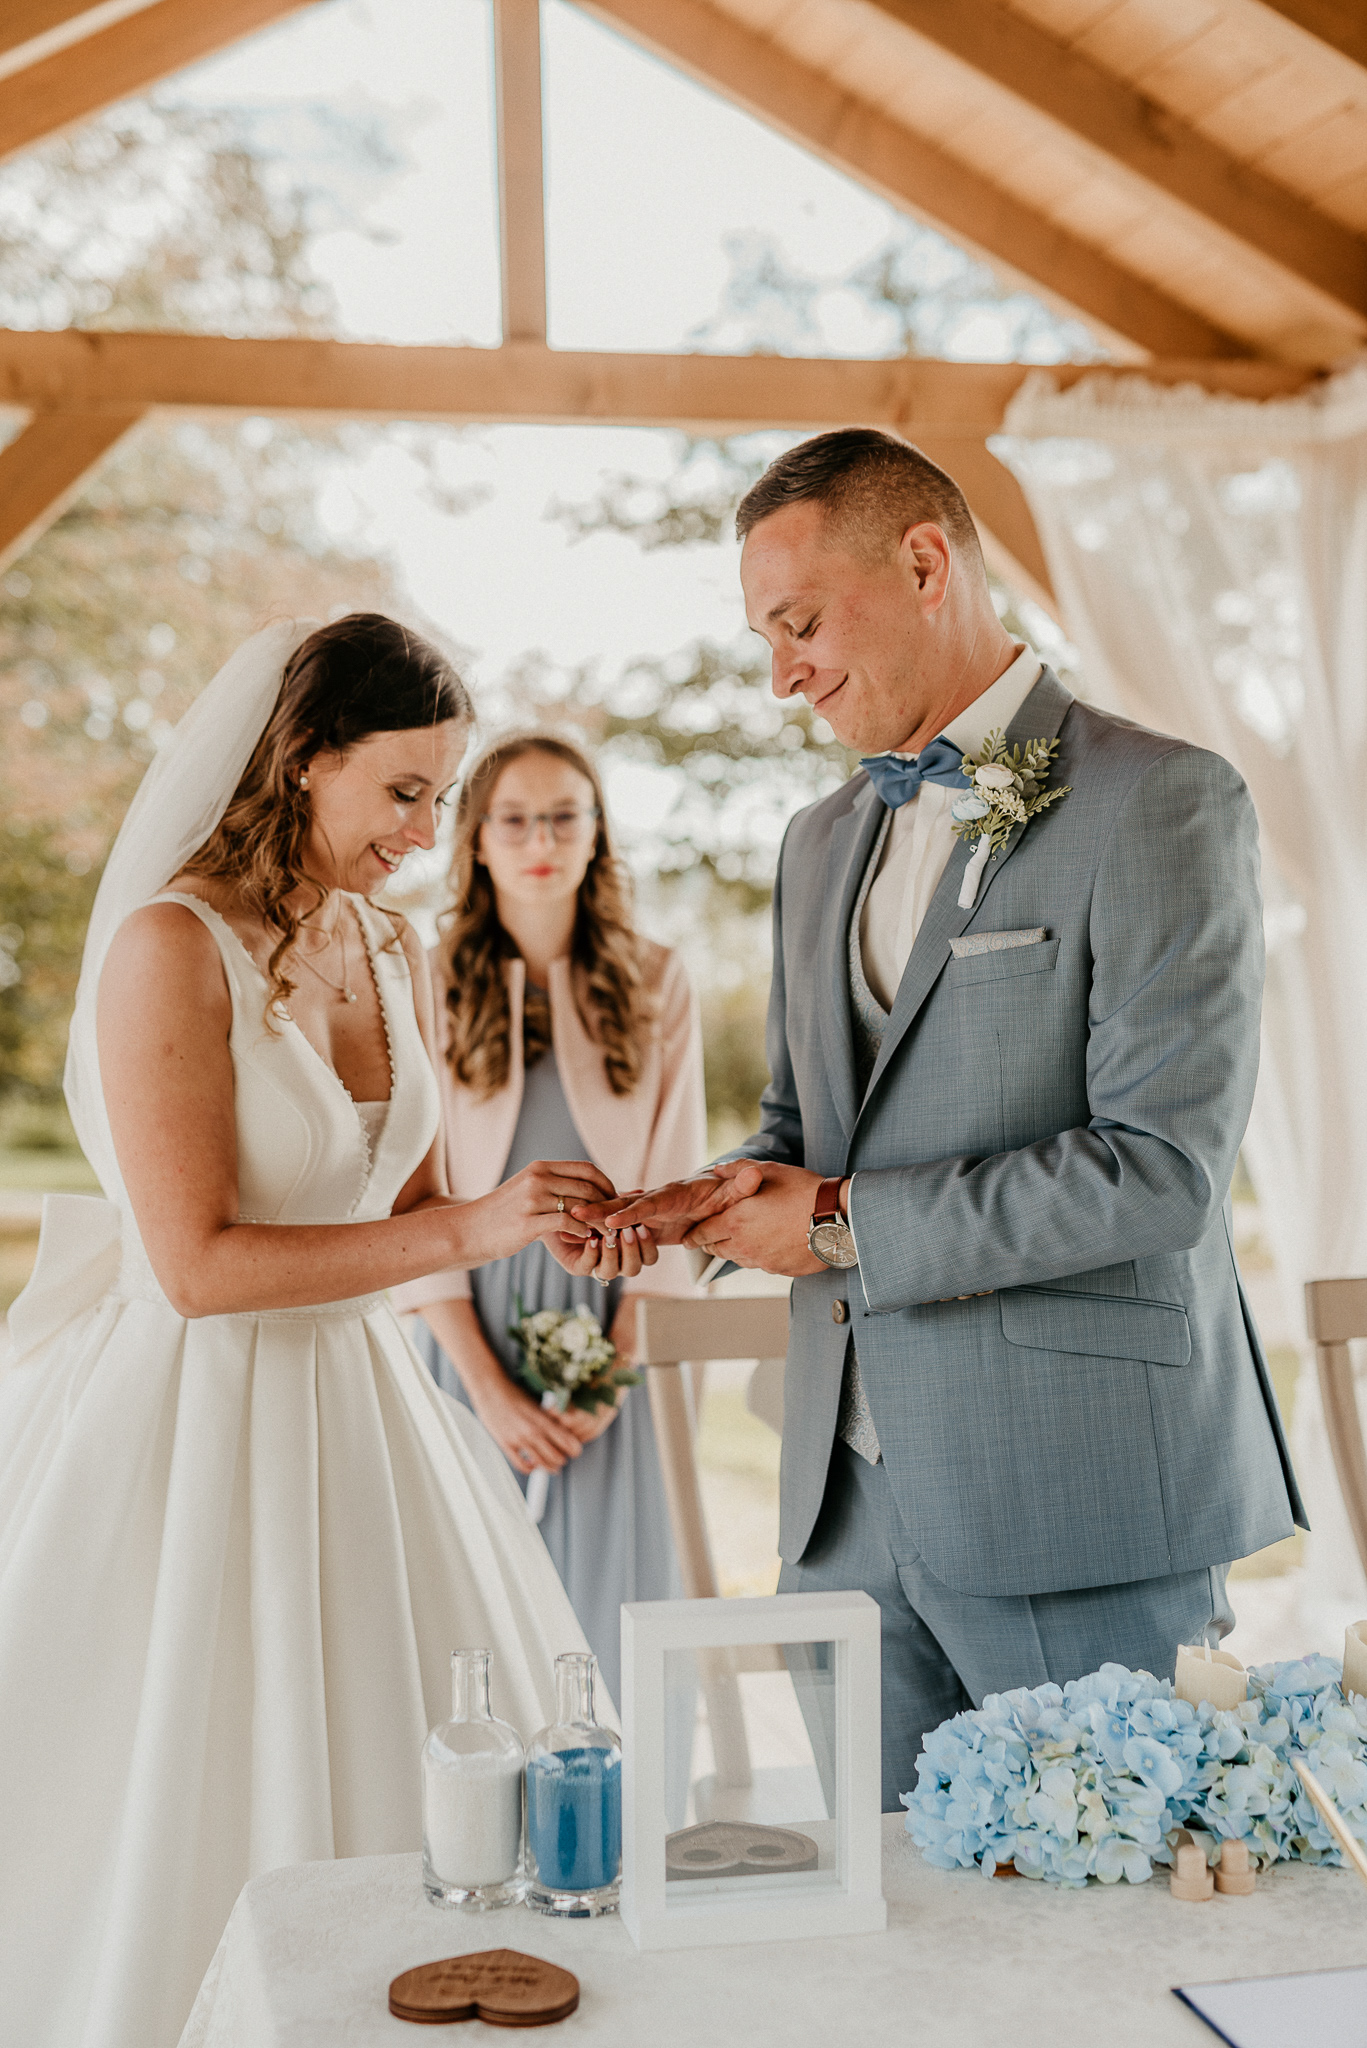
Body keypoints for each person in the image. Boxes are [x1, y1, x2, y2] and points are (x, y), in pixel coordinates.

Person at [577, 428, 1306, 1812]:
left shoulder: (1160, 798)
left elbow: (1159, 1171)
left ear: (924, 564)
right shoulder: (814, 842)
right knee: (878, 1924)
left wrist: (836, 1222)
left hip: (1074, 1497)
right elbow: (807, 1121)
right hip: (839, 1513)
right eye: (763, 639)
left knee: (1101, 1921)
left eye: (798, 624)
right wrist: (705, 1202)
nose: (781, 674)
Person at [0, 615, 640, 2048]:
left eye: (441, 795)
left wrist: (544, 1219)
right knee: (205, 1766)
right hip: (195, 1417)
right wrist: (472, 1231)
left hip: (366, 1405)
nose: (425, 833)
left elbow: (408, 1202)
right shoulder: (170, 945)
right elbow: (195, 1268)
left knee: (419, 1749)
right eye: (402, 792)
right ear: (302, 759)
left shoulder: (387, 940)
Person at [393, 732, 705, 1707]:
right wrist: (486, 1390)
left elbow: (677, 1189)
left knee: (618, 1606)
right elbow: (411, 1203)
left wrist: (611, 1379)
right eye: (516, 819)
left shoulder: (657, 978)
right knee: (465, 1619)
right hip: (462, 1332)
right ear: (477, 839)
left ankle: (625, 1796)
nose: (541, 840)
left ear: (596, 831)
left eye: (564, 816)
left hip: (622, 1333)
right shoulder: (424, 980)